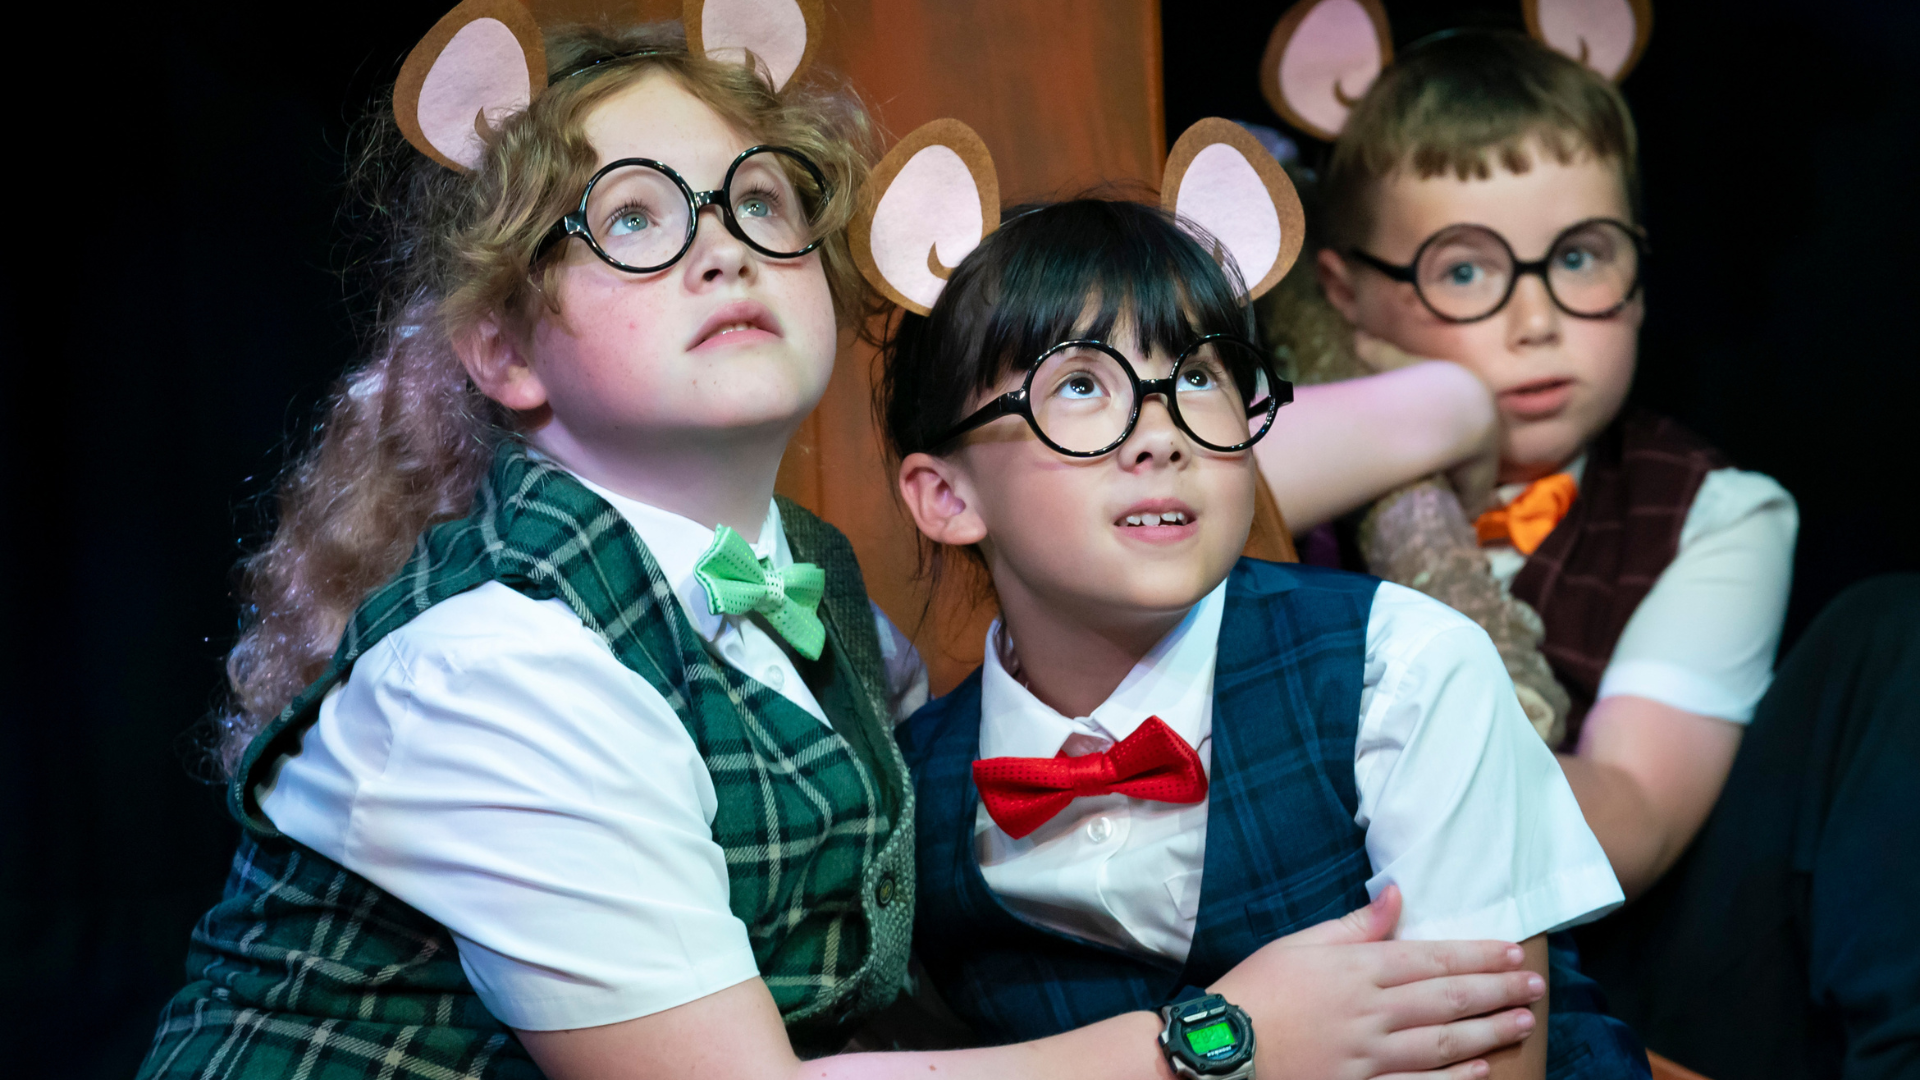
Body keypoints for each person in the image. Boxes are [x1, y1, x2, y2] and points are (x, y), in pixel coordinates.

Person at [137, 5, 1552, 1079]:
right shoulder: (496, 666)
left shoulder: (820, 608)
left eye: (760, 200)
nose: (724, 245)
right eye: (632, 217)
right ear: (503, 349)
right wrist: (1223, 1040)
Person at [857, 113, 1647, 1080]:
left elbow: (1490, 1056)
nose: (1161, 434)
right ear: (946, 497)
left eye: (1195, 376)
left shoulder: (1400, 670)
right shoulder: (911, 791)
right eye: (1078, 388)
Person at [1280, 22, 1920, 1079]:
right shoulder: (1294, 478)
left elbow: (1626, 825)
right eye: (1466, 271)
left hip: (1631, 973)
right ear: (1347, 296)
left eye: (1579, 257)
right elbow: (1188, 483)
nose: (1536, 320)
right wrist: (1431, 410)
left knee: (1889, 634)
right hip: (1328, 959)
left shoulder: (1710, 509)